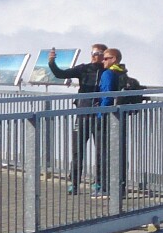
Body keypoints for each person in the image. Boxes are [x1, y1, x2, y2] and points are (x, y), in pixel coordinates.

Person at [46, 43, 108, 192]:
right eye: (93, 52)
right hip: (82, 115)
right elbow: (60, 74)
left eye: (99, 53)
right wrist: (51, 63)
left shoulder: (107, 71)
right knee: (77, 150)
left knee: (101, 151)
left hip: (99, 116)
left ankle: (99, 182)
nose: (95, 55)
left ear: (104, 55)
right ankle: (74, 183)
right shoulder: (84, 69)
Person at [94, 47, 132, 197]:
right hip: (119, 115)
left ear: (114, 59)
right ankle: (120, 186)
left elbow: (107, 95)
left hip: (107, 116)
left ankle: (105, 187)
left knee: (104, 151)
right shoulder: (122, 72)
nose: (102, 61)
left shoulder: (108, 73)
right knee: (119, 150)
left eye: (106, 58)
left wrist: (99, 114)